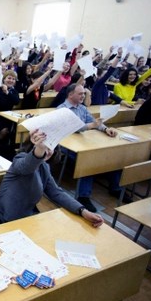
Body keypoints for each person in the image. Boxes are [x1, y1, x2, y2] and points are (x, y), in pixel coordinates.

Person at [0, 129, 104, 227]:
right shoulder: (20, 158)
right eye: (45, 146)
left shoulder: (44, 167)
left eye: (51, 146)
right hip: (5, 220)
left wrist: (82, 210)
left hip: (26, 218)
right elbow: (28, 166)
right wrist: (40, 148)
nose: (48, 151)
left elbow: (56, 192)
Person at [58, 84, 128, 212]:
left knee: (114, 152)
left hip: (83, 142)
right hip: (67, 145)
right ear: (70, 95)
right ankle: (83, 196)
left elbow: (94, 122)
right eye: (80, 94)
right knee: (89, 158)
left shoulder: (82, 108)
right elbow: (72, 128)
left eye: (84, 94)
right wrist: (90, 126)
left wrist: (105, 128)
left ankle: (116, 188)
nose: (83, 96)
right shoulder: (62, 109)